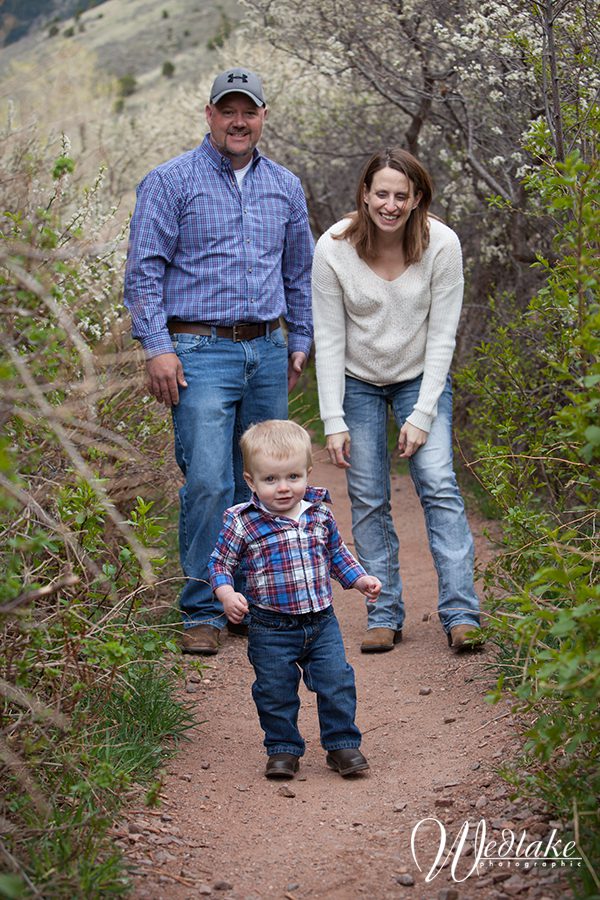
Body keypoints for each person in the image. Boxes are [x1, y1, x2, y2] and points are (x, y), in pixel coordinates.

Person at [123, 68, 314, 656]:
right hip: (198, 351)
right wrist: (156, 346)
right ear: (209, 114)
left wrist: (299, 337)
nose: (239, 121)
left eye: (249, 111)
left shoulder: (285, 186)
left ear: (262, 116)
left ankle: (252, 603)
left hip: (266, 347)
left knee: (263, 481)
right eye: (227, 111)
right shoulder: (170, 181)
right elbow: (143, 272)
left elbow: (299, 271)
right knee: (208, 480)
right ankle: (203, 608)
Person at [311, 147, 483, 654]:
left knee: (437, 482)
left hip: (419, 376)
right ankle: (383, 614)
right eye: (380, 193)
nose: (389, 204)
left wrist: (423, 412)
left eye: (400, 196)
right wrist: (332, 419)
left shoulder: (442, 245)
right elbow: (329, 335)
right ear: (364, 195)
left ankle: (461, 613)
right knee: (366, 495)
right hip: (356, 379)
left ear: (417, 200)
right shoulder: (334, 247)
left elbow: (443, 338)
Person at [208, 420, 381, 779]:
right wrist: (226, 593)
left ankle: (341, 744)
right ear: (251, 481)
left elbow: (337, 554)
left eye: (293, 477)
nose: (284, 488)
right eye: (271, 480)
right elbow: (220, 563)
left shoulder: (319, 513)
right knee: (274, 691)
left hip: (321, 623)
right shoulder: (243, 522)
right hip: (270, 627)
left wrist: (360, 579)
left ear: (308, 473)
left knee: (337, 682)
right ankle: (283, 748)